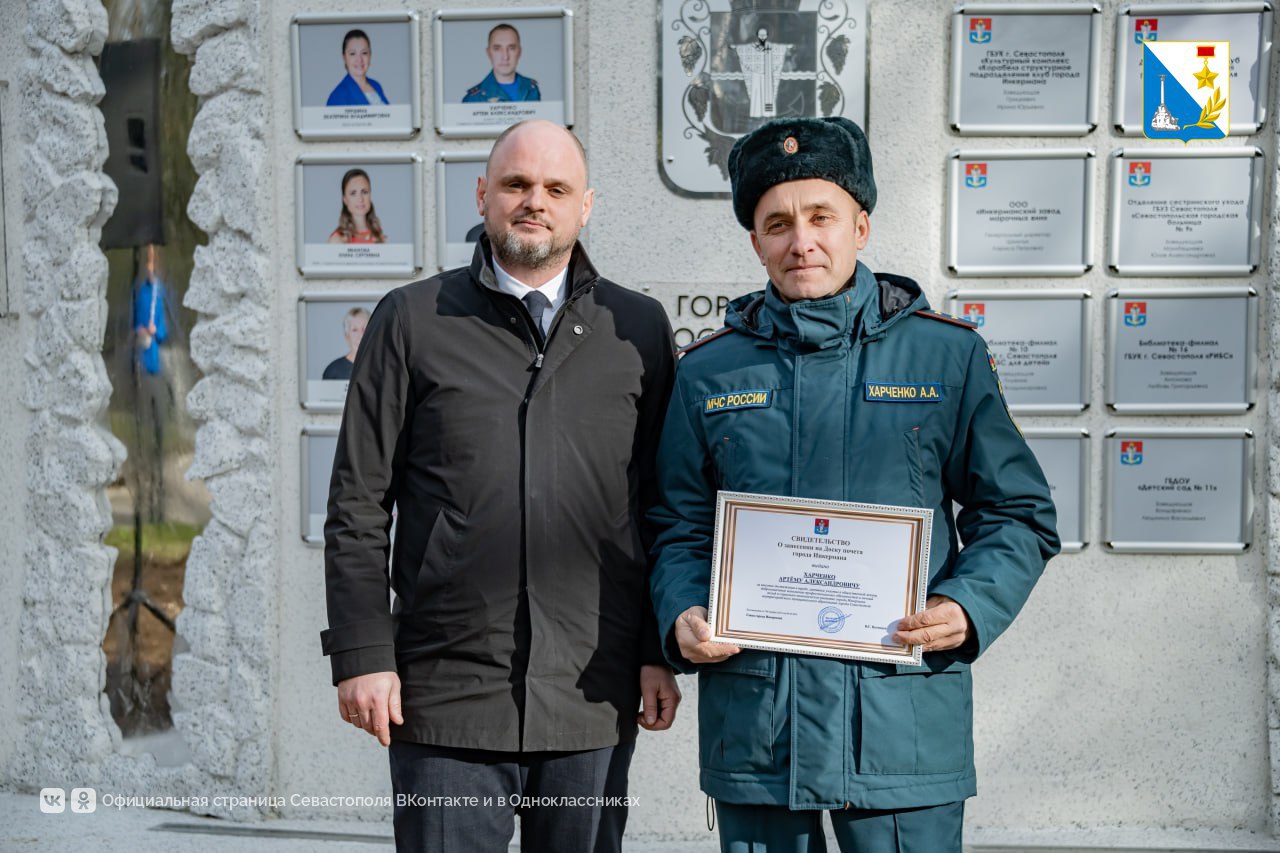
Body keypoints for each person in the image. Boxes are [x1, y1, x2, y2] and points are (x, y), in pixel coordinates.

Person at [647, 117, 1059, 852]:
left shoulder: (947, 358)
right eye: (777, 224)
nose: (801, 241)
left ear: (860, 226)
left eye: (821, 217)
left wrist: (967, 607)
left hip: (901, 733)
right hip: (761, 734)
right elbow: (675, 524)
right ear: (755, 242)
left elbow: (1018, 514)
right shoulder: (708, 373)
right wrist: (681, 609)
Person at [322, 119, 681, 853]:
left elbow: (659, 503)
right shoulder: (412, 319)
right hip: (445, 696)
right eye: (516, 183)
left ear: (586, 206)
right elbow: (358, 503)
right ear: (483, 194)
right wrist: (363, 654)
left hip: (590, 692)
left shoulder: (637, 328)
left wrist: (656, 650)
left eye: (556, 188)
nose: (534, 201)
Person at [462, 23, 541, 103]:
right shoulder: (473, 98)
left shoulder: (532, 89)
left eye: (511, 48)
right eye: (497, 49)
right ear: (489, 53)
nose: (505, 57)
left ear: (519, 52)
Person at [326, 29, 390, 107]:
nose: (359, 59)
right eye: (352, 53)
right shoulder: (338, 96)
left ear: (370, 55)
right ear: (344, 57)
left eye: (364, 53)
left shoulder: (376, 86)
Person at [327, 169, 386, 245]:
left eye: (364, 192)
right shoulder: (337, 240)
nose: (360, 199)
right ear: (345, 199)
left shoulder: (379, 236)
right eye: (353, 193)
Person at [322, 307, 369, 381]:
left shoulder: (381, 367)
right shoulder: (333, 371)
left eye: (364, 329)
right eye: (354, 330)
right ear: (347, 337)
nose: (360, 335)